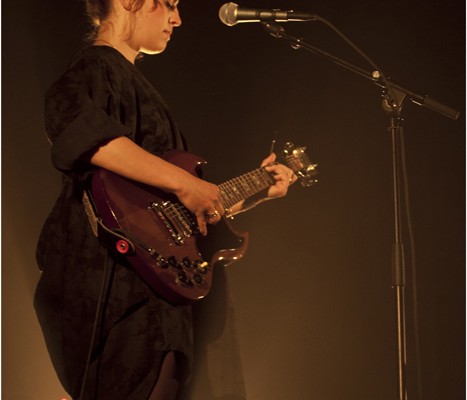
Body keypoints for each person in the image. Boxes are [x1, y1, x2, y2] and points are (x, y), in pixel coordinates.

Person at [34, 1, 297, 399]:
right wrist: (183, 183)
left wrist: (253, 193)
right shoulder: (95, 68)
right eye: (169, 4)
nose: (177, 18)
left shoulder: (134, 80)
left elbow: (167, 214)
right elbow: (74, 126)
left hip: (162, 288)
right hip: (123, 288)